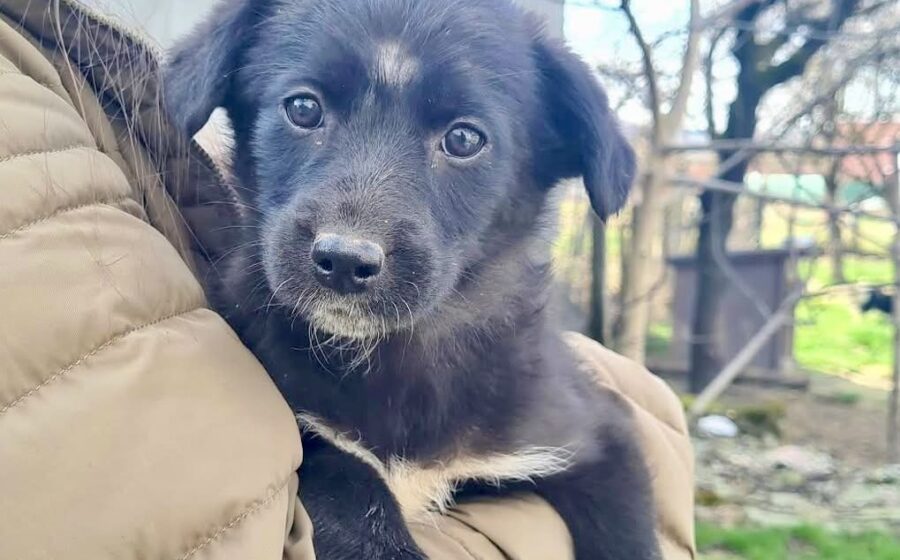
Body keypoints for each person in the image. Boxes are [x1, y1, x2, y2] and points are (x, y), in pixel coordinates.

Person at [0, 1, 695, 558]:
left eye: (461, 140)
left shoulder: (524, 397)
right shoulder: (227, 354)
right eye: (304, 110)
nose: (352, 239)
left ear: (544, 159)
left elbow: (605, 459)